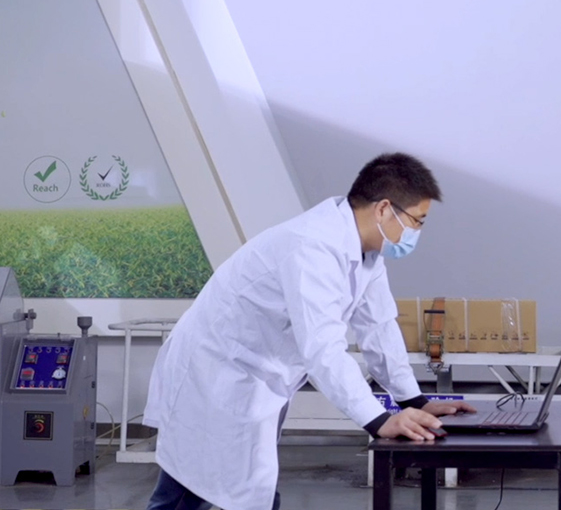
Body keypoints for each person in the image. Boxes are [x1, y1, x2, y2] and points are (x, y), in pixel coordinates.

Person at [143, 152, 475, 510]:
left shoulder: (366, 252)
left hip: (252, 379)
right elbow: (323, 349)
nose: (416, 233)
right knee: (190, 491)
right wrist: (379, 420)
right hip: (215, 375)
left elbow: (378, 327)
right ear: (383, 209)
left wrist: (414, 400)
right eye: (416, 221)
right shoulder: (312, 245)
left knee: (236, 490)